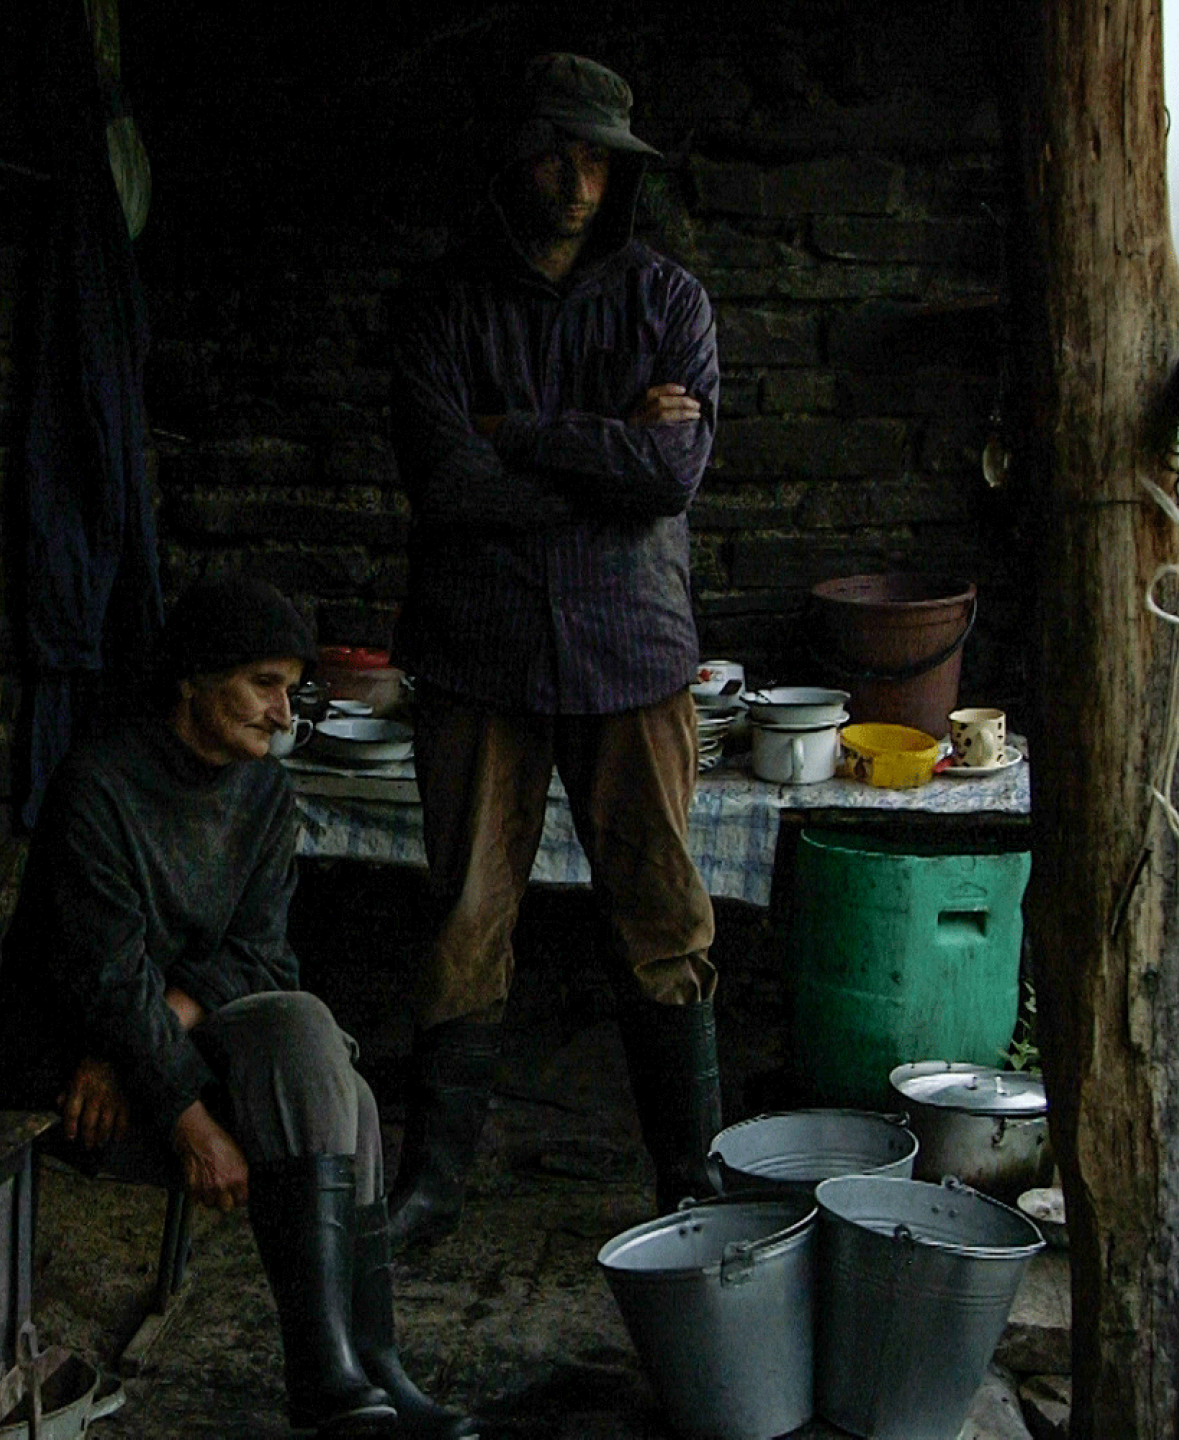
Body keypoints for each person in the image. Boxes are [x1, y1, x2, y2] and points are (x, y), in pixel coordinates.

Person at [0, 576, 475, 1440]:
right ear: (192, 678)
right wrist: (190, 1124)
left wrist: (164, 1024)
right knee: (345, 1095)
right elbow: (104, 982)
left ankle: (360, 1365)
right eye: (263, 684)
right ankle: (337, 1370)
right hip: (72, 1067)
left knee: (305, 1029)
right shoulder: (97, 788)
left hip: (156, 1041)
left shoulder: (264, 797)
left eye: (292, 688)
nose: (285, 715)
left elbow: (262, 956)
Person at [382, 52, 723, 1244]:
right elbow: (446, 485)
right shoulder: (441, 306)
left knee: (662, 909)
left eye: (599, 159)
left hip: (632, 649)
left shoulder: (668, 302)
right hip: (480, 652)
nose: (579, 180)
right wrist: (601, 458)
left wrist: (518, 433)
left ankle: (689, 1179)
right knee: (466, 912)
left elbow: (673, 472)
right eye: (557, 152)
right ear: (511, 157)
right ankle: (432, 1186)